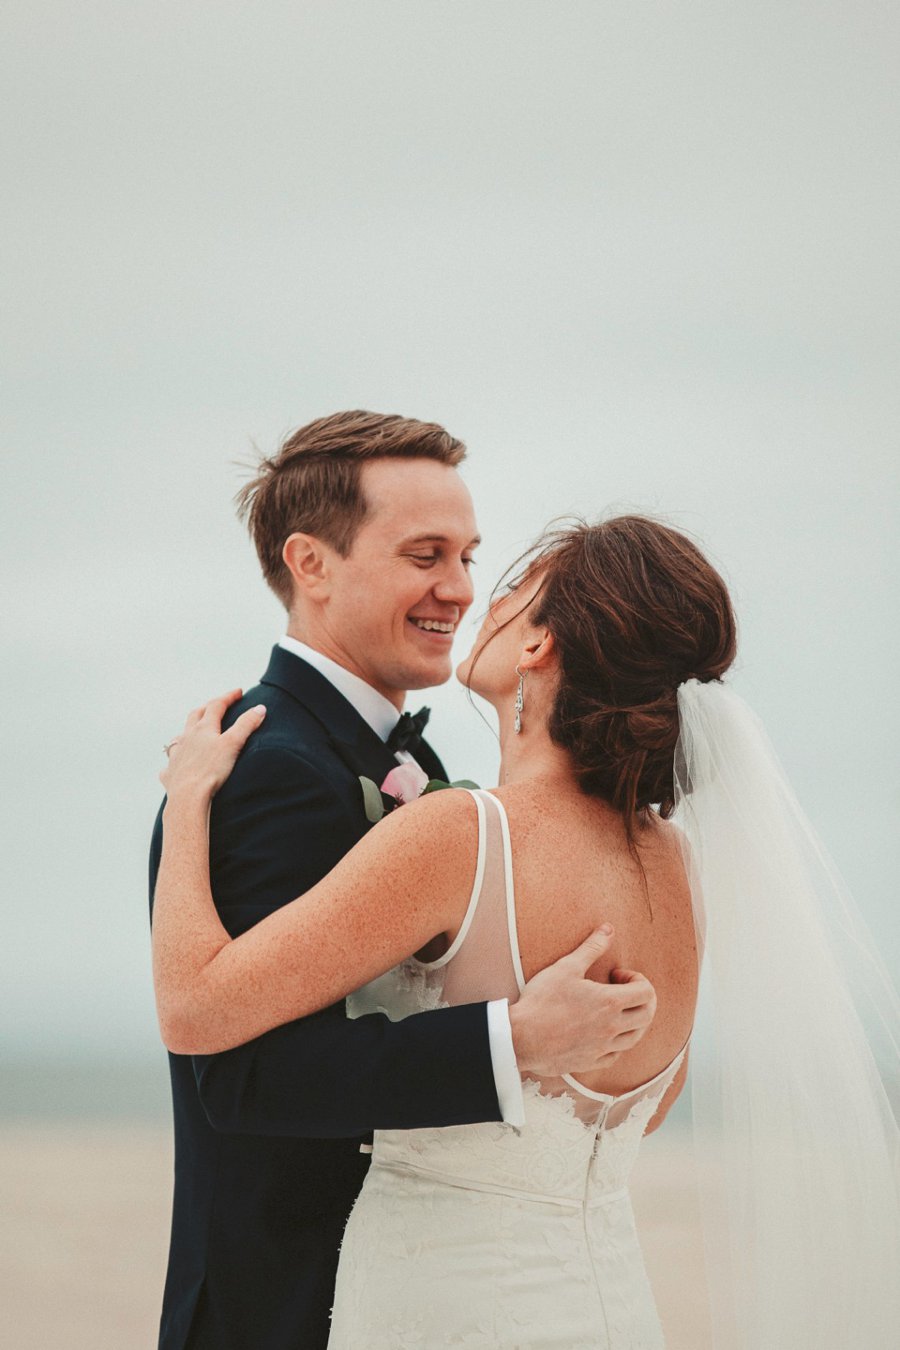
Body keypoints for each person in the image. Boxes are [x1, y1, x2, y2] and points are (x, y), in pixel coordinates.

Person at [154, 511, 900, 1348]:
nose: (480, 599)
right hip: (606, 1306)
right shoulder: (680, 869)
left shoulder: (462, 834)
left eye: (508, 586)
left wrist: (188, 800)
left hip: (444, 1309)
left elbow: (193, 1007)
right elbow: (643, 1110)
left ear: (540, 646)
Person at [148, 413, 658, 1350]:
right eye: (426, 554)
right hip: (287, 1306)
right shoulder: (264, 764)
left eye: (469, 556)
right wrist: (510, 1044)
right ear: (312, 564)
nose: (460, 589)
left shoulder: (413, 768)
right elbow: (239, 1076)